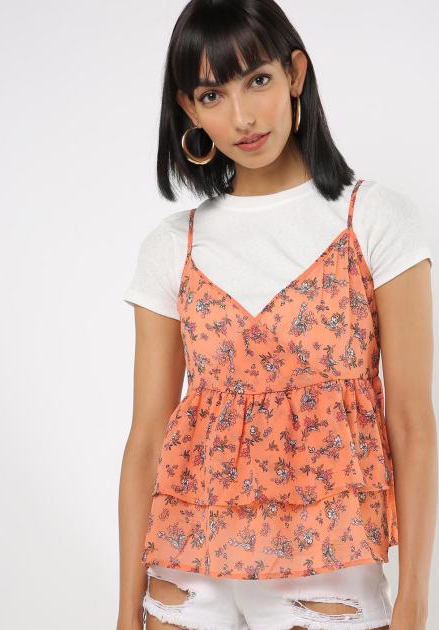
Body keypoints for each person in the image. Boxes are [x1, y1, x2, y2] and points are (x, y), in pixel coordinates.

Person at [117, 1, 436, 629]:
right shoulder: (173, 245)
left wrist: (415, 602)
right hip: (186, 572)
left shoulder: (373, 220)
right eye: (212, 94)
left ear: (295, 73)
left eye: (257, 80)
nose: (242, 117)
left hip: (328, 572)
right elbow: (147, 438)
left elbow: (412, 421)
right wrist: (127, 611)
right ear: (189, 109)